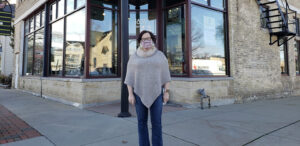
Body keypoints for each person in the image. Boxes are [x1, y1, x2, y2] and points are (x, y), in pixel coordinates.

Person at [124, 30, 171, 146]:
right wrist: (130, 94)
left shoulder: (160, 55)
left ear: (152, 40)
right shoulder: (134, 57)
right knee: (141, 123)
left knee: (157, 124)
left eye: (148, 38)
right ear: (140, 41)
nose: (146, 41)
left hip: (157, 94)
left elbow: (166, 75)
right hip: (139, 95)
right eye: (144, 39)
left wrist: (166, 92)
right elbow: (129, 76)